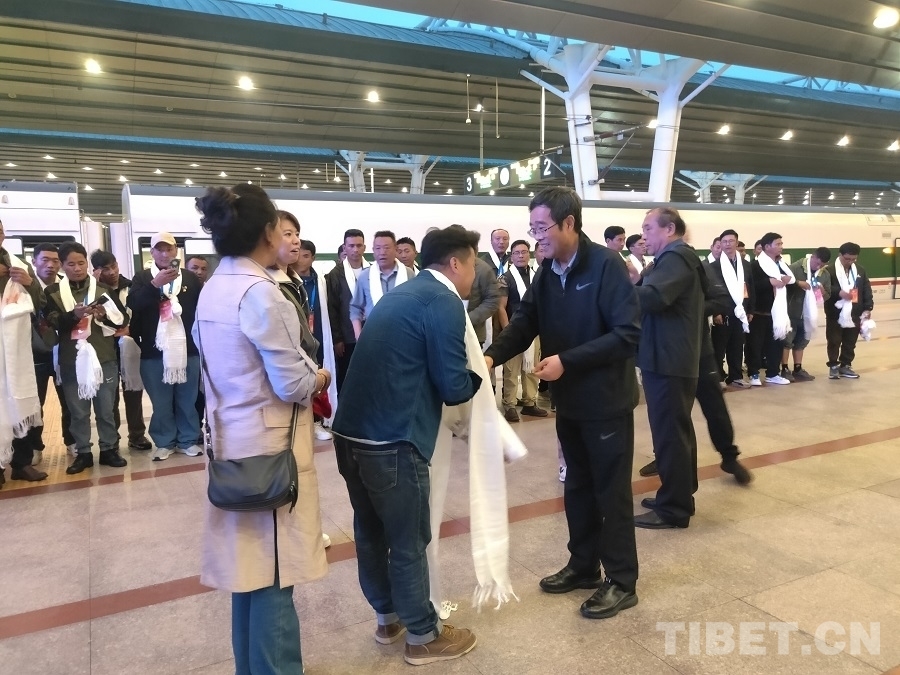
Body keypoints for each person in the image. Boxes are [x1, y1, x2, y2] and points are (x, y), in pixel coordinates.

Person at [485, 187, 641, 621]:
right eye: (533, 229)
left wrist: (566, 362)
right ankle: (584, 564)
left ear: (569, 223)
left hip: (606, 401)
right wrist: (491, 356)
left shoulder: (606, 266)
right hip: (569, 401)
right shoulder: (547, 271)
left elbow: (627, 335)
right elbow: (525, 321)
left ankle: (622, 581)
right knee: (577, 486)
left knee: (610, 492)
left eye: (542, 228)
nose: (537, 237)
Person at [193, 183, 329, 675]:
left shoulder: (214, 287)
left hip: (230, 443)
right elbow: (293, 383)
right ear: (269, 231)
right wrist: (320, 375)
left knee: (248, 572)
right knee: (275, 572)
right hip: (271, 451)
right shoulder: (262, 294)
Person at [332, 224, 482, 665]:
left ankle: (388, 619)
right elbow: (454, 386)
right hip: (392, 439)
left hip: (350, 435)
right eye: (474, 264)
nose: (475, 274)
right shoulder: (443, 300)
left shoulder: (399, 295)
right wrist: (481, 374)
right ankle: (423, 635)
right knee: (408, 538)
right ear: (455, 263)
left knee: (370, 532)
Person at [633, 207, 706, 530]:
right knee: (677, 430)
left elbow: (652, 298)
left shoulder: (676, 258)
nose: (643, 236)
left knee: (670, 435)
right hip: (670, 357)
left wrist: (617, 289)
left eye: (648, 228)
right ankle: (680, 494)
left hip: (668, 360)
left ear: (669, 229)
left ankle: (674, 508)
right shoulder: (673, 259)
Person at [44, 243, 129, 475]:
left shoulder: (103, 289)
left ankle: (109, 449)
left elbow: (121, 320)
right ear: (62, 266)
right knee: (78, 411)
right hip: (71, 360)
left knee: (106, 409)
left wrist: (104, 316)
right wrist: (74, 315)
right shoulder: (52, 292)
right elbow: (52, 323)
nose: (77, 268)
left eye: (81, 263)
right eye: (71, 264)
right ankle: (83, 453)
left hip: (104, 358)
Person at [128, 232, 204, 460]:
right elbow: (134, 304)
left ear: (176, 251)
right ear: (151, 252)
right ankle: (164, 441)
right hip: (154, 352)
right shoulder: (142, 277)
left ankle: (188, 440)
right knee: (161, 402)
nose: (164, 253)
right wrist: (155, 285)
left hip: (188, 350)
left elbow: (201, 309)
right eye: (159, 249)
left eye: (169, 248)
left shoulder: (190, 278)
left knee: (187, 399)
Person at [90, 249, 152, 452]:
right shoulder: (93, 290)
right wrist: (95, 285)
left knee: (133, 390)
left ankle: (137, 434)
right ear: (96, 271)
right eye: (105, 269)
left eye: (114, 266)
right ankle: (112, 437)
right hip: (104, 347)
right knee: (109, 396)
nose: (112, 272)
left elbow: (141, 313)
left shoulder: (131, 286)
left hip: (129, 344)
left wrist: (131, 329)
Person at [0, 221, 46, 484]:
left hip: (17, 349)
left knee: (20, 400)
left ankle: (21, 464)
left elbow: (39, 305)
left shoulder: (19, 265)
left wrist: (30, 284)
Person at [497, 239, 547, 422]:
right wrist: (508, 331)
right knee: (511, 371)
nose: (521, 256)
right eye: (516, 253)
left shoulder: (537, 275)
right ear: (511, 256)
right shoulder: (505, 278)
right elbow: (501, 307)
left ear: (529, 254)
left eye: (524, 252)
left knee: (532, 368)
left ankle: (529, 402)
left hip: (534, 330)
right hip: (514, 330)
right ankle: (509, 404)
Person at [747, 232, 795, 386]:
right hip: (759, 312)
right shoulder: (755, 265)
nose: (781, 247)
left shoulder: (780, 264)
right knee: (755, 345)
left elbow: (789, 281)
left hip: (777, 312)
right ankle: (753, 373)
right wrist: (770, 282)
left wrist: (786, 280)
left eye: (781, 244)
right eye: (778, 244)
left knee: (776, 344)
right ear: (767, 247)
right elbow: (751, 286)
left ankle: (773, 373)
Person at [711, 229, 755, 387]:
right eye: (724, 242)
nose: (727, 244)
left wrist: (750, 310)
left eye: (731, 241)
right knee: (719, 347)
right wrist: (715, 312)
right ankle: (718, 378)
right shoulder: (714, 266)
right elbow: (711, 291)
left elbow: (750, 287)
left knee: (737, 346)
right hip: (723, 312)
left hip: (741, 311)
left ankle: (736, 376)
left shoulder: (745, 265)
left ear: (737, 243)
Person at [350, 230, 414, 338]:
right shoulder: (365, 276)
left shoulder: (409, 274)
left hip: (404, 335)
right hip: (373, 335)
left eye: (386, 248)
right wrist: (359, 336)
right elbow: (356, 308)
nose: (382, 252)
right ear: (373, 250)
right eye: (378, 248)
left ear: (395, 249)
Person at [325, 229, 368, 392]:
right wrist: (337, 339)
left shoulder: (373, 271)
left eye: (359, 245)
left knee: (369, 376)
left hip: (370, 334)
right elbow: (333, 308)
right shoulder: (335, 274)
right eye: (351, 246)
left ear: (364, 247)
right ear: (345, 247)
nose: (355, 250)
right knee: (347, 379)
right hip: (347, 336)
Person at [824, 242, 873, 379]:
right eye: (847, 259)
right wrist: (839, 292)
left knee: (850, 341)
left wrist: (868, 308)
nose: (850, 262)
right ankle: (834, 366)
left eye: (853, 259)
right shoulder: (829, 270)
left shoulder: (860, 270)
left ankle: (845, 365)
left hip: (855, 311)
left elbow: (866, 289)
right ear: (840, 255)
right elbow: (825, 288)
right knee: (834, 340)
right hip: (835, 312)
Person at [782, 247, 831, 381]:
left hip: (808, 314)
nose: (819, 267)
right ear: (813, 257)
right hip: (791, 311)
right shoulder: (795, 268)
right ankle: (784, 368)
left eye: (822, 265)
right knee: (787, 341)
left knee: (802, 341)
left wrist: (822, 291)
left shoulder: (824, 274)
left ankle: (798, 368)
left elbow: (827, 295)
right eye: (817, 263)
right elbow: (784, 284)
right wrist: (798, 283)